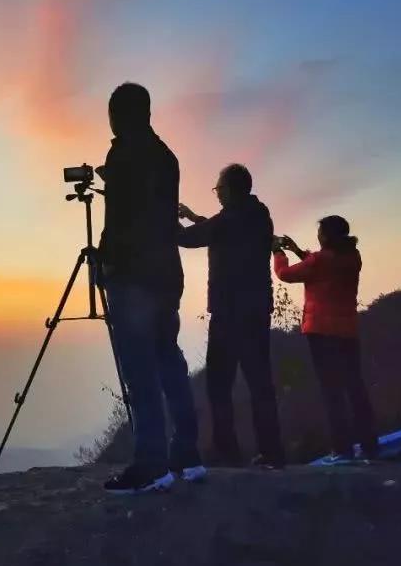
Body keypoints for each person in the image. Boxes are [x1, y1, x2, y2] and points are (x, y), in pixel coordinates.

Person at [97, 82, 205, 493]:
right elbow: (155, 213)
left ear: (120, 114)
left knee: (139, 368)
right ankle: (188, 455)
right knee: (168, 360)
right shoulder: (165, 155)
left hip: (133, 277)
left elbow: (122, 220)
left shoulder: (124, 153)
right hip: (166, 275)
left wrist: (106, 262)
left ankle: (151, 464)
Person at [177, 164, 286, 469]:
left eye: (219, 189)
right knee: (260, 383)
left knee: (219, 384)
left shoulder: (229, 220)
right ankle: (272, 452)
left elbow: (189, 238)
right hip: (256, 310)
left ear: (230, 190)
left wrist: (163, 217)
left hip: (229, 312)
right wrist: (194, 217)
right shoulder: (259, 215)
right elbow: (218, 230)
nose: (217, 194)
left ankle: (227, 454)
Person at [274, 216, 378, 464]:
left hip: (322, 332)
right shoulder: (352, 257)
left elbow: (285, 274)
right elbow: (319, 266)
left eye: (320, 232)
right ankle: (370, 446)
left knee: (332, 391)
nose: (318, 235)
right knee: (355, 387)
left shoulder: (320, 261)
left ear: (327, 236)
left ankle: (342, 449)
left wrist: (278, 252)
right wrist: (298, 251)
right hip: (347, 331)